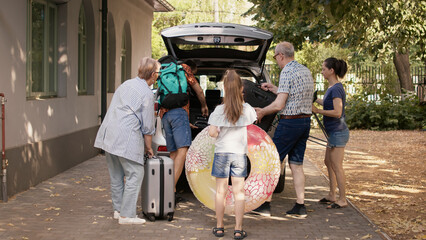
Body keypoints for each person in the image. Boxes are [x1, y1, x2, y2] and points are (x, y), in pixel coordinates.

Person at [94, 57, 160, 224]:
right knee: (136, 174)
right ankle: (127, 215)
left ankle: (118, 210)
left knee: (116, 176)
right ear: (152, 74)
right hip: (126, 137)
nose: (158, 77)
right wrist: (148, 148)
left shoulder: (126, 84)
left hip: (109, 134)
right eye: (158, 73)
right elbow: (147, 127)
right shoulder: (146, 93)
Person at [254, 41, 314, 217]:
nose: (277, 60)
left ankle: (265, 204)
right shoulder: (305, 70)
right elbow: (293, 95)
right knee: (296, 164)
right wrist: (274, 89)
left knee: (272, 162)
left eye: (275, 57)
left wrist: (262, 112)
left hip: (289, 124)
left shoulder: (286, 71)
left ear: (280, 55)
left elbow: (280, 104)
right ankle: (300, 206)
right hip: (304, 123)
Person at [208, 70, 256, 239]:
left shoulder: (219, 110)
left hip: (222, 154)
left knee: (221, 192)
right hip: (239, 155)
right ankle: (238, 229)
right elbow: (252, 122)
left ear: (224, 88)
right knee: (239, 192)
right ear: (241, 88)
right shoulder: (247, 109)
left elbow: (213, 133)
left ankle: (220, 227)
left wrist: (218, 128)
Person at [159, 59, 209, 201]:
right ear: (192, 69)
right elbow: (198, 90)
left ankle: (172, 192)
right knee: (183, 151)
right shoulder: (186, 69)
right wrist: (204, 106)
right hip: (179, 113)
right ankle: (168, 191)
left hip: (165, 114)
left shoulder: (168, 69)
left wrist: (185, 122)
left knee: (173, 153)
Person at [312, 57, 350, 209]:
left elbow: (337, 112)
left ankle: (343, 199)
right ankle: (332, 195)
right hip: (333, 132)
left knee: (336, 165)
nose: (322, 72)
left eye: (323, 69)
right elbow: (328, 103)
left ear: (331, 70)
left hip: (338, 132)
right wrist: (314, 100)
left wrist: (317, 110)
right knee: (328, 162)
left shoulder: (336, 88)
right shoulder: (332, 88)